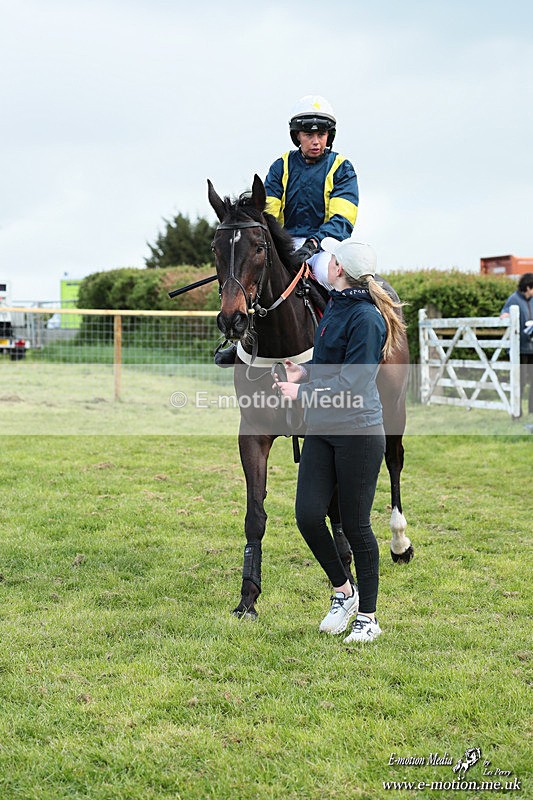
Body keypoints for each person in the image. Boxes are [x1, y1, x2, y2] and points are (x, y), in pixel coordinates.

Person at [273, 238, 406, 643]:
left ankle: (368, 618)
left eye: (329, 258)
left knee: (356, 525)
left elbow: (354, 382)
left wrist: (302, 394)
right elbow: (333, 367)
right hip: (323, 429)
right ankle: (343, 592)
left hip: (358, 433)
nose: (323, 262)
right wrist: (305, 374)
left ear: (339, 270)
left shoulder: (366, 318)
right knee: (308, 516)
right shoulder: (336, 305)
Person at [215, 94, 359, 366]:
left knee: (333, 277)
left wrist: (315, 244)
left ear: (330, 136)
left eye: (322, 134)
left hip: (326, 245)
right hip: (285, 242)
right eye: (308, 134)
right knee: (255, 275)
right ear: (297, 136)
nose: (316, 141)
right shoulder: (281, 166)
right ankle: (242, 344)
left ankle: (345, 344)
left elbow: (343, 217)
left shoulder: (342, 168)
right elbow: (266, 212)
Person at [500, 272, 533, 415]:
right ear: (528, 287)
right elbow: (504, 313)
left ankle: (532, 411)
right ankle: (516, 411)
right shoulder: (513, 299)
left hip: (531, 347)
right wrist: (505, 316)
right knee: (520, 381)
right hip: (519, 349)